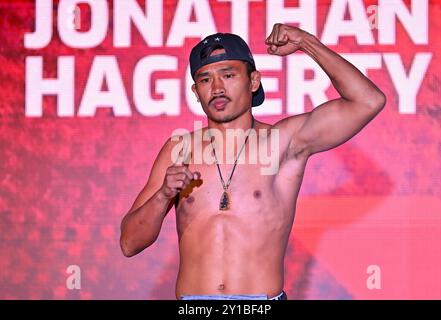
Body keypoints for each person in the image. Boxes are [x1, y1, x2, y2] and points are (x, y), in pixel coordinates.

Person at [120, 23, 386, 300]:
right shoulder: (179, 149)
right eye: (205, 79)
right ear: (196, 92)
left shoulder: (283, 142)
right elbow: (129, 243)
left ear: (254, 81)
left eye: (228, 74)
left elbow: (368, 101)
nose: (217, 87)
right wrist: (163, 195)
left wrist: (307, 43)